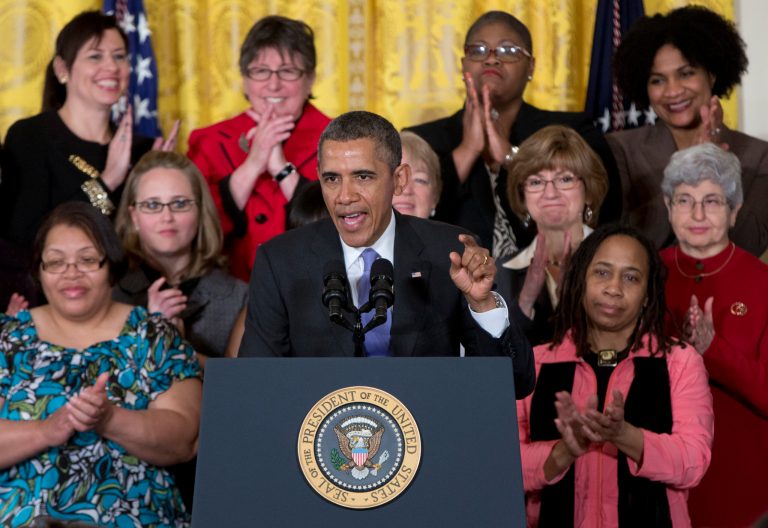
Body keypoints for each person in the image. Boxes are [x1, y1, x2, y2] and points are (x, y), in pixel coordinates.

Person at [238, 111, 535, 399]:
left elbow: (515, 383)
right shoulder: (280, 262)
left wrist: (482, 304)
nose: (345, 196)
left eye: (363, 177)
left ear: (399, 179)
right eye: (331, 179)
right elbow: (255, 387)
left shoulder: (449, 253)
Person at [0, 202, 201, 526]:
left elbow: (185, 441)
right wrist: (45, 430)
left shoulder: (153, 335)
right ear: (38, 270)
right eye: (55, 262)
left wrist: (109, 419)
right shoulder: (8, 338)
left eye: (87, 260)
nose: (71, 273)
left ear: (112, 264)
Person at [517, 224, 713, 527]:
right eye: (602, 272)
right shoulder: (536, 362)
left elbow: (694, 462)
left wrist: (624, 435)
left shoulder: (680, 361)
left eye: (631, 277)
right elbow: (502, 466)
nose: (614, 288)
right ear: (581, 281)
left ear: (648, 295)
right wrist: (564, 451)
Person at [406, 10, 620, 259]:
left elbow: (608, 206)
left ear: (531, 66)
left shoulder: (572, 130)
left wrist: (512, 156)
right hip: (448, 283)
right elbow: (405, 224)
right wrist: (467, 151)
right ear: (464, 63)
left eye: (508, 51)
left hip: (550, 280)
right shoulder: (421, 140)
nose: (492, 59)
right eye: (479, 50)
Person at [0, 11, 175, 309]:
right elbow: (28, 237)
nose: (111, 67)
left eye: (119, 56)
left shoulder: (143, 148)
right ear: (62, 68)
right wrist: (107, 182)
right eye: (95, 56)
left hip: (128, 305)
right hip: (50, 306)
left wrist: (162, 182)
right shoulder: (30, 136)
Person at [659, 143, 768, 527]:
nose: (698, 214)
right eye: (685, 200)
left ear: (735, 210)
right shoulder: (645, 273)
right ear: (668, 207)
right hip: (661, 473)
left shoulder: (762, 282)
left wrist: (712, 349)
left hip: (742, 476)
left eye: (713, 201)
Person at [609, 5, 768, 256]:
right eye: (657, 80)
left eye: (686, 73)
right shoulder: (621, 150)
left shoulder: (759, 155)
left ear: (712, 75)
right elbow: (621, 243)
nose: (673, 91)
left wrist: (712, 164)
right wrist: (687, 169)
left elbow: (751, 245)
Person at [187, 15, 331, 281]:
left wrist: (280, 168)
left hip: (315, 288)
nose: (273, 84)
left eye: (288, 71)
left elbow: (339, 227)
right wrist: (253, 164)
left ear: (310, 79)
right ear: (245, 80)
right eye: (261, 71)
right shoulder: (207, 142)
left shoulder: (339, 140)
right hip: (228, 294)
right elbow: (191, 231)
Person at [113, 151, 248, 367]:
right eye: (152, 205)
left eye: (179, 204)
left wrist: (177, 349)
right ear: (133, 217)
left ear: (200, 212)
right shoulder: (108, 293)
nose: (167, 217)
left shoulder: (241, 297)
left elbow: (251, 389)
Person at [498, 125, 608, 346]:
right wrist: (525, 301)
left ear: (589, 191)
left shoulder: (618, 260)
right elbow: (494, 360)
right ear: (522, 195)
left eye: (565, 179)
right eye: (536, 182)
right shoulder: (499, 275)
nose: (550, 193)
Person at [393, 131, 442, 219]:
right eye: (397, 177)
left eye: (419, 180)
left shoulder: (456, 233)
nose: (406, 190)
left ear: (435, 197)